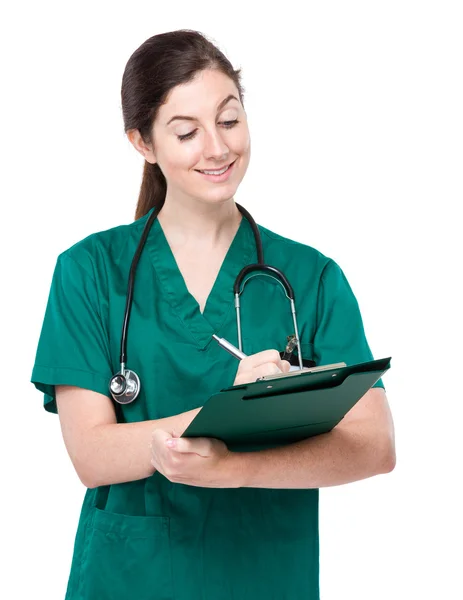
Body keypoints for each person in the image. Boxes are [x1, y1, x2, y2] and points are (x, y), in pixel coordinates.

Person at [30, 29, 396, 600]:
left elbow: (375, 446)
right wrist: (237, 412)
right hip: (131, 578)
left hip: (264, 575)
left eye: (229, 120)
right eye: (186, 132)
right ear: (143, 143)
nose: (217, 148)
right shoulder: (89, 271)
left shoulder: (310, 277)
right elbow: (92, 454)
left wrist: (235, 467)